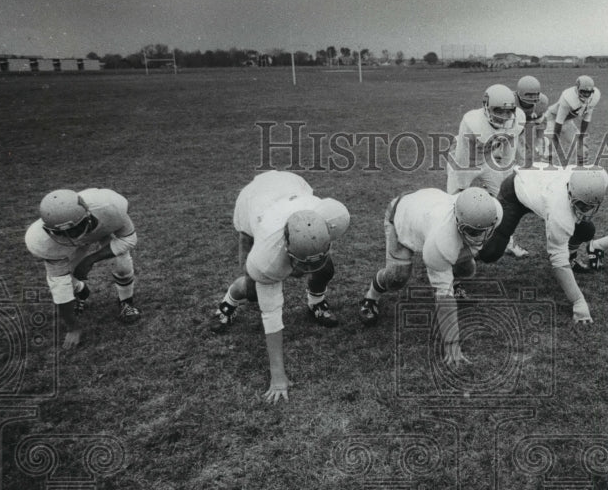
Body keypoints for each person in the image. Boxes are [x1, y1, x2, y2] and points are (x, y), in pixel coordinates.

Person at [212, 171, 350, 403]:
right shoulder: (267, 256)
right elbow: (272, 315)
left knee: (325, 269)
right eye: (299, 263)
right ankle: (228, 302)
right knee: (253, 289)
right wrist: (278, 376)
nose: (301, 271)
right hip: (254, 202)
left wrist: (311, 261)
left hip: (290, 186)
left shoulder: (329, 217)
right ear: (286, 247)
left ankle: (315, 301)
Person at [359, 187, 502, 366]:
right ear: (458, 222)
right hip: (402, 215)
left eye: (482, 231)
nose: (479, 236)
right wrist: (452, 344)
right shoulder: (441, 239)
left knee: (466, 269)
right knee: (397, 277)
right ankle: (370, 297)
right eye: (472, 231)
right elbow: (443, 297)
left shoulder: (492, 210)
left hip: (430, 204)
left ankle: (456, 282)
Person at [476, 163, 608, 324]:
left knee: (586, 231)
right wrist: (578, 301)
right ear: (569, 191)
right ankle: (465, 251)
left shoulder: (598, 177)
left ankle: (572, 257)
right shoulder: (559, 210)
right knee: (490, 252)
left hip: (540, 184)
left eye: (589, 205)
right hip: (516, 191)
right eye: (580, 204)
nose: (585, 210)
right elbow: (557, 259)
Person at [25, 188, 141, 349]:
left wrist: (90, 259)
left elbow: (128, 239)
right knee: (65, 279)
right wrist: (72, 328)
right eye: (61, 232)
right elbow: (59, 285)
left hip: (102, 228)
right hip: (81, 236)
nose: (68, 236)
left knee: (121, 263)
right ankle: (82, 290)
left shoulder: (109, 207)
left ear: (87, 216)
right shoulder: (43, 240)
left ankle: (126, 302)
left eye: (73, 230)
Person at [446, 83, 527, 258]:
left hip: (487, 159)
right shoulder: (471, 122)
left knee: (504, 201)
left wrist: (505, 179)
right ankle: (453, 247)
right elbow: (461, 157)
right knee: (454, 205)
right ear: (486, 107)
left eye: (509, 111)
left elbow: (508, 153)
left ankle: (507, 241)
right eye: (499, 110)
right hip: (462, 161)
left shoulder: (517, 119)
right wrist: (461, 186)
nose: (505, 116)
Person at [543, 75, 601, 167]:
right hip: (553, 118)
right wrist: (555, 141)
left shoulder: (594, 97)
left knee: (582, 148)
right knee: (550, 150)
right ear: (577, 89)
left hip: (567, 121)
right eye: (583, 92)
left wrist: (581, 137)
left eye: (588, 92)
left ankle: (580, 173)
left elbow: (586, 118)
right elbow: (559, 121)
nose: (586, 95)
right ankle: (544, 172)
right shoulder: (568, 98)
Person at [514, 75, 550, 168]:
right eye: (529, 95)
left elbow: (540, 123)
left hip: (530, 124)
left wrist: (540, 140)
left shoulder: (542, 102)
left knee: (532, 153)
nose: (532, 98)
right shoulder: (510, 100)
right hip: (513, 126)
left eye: (535, 95)